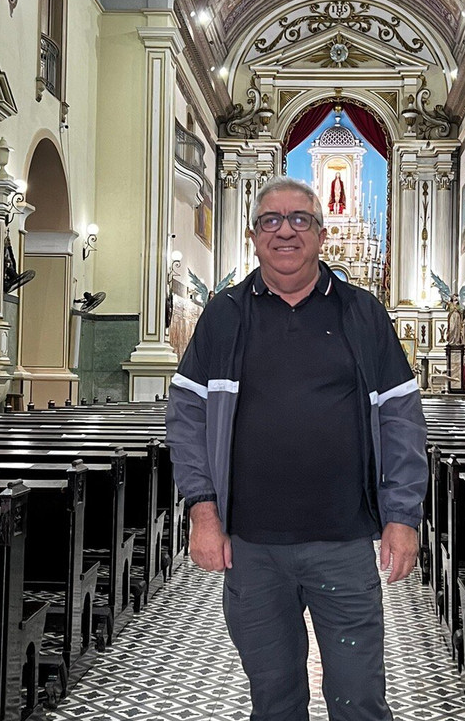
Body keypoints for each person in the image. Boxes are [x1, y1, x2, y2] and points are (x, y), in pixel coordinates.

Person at [165, 176, 427, 721]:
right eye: (271, 221)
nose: (285, 231)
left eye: (300, 219)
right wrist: (202, 510)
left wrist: (403, 517)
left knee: (359, 699)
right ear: (253, 236)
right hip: (253, 547)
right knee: (274, 699)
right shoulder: (224, 314)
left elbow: (401, 419)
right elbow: (187, 416)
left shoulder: (363, 313)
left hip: (344, 542)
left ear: (321, 234)